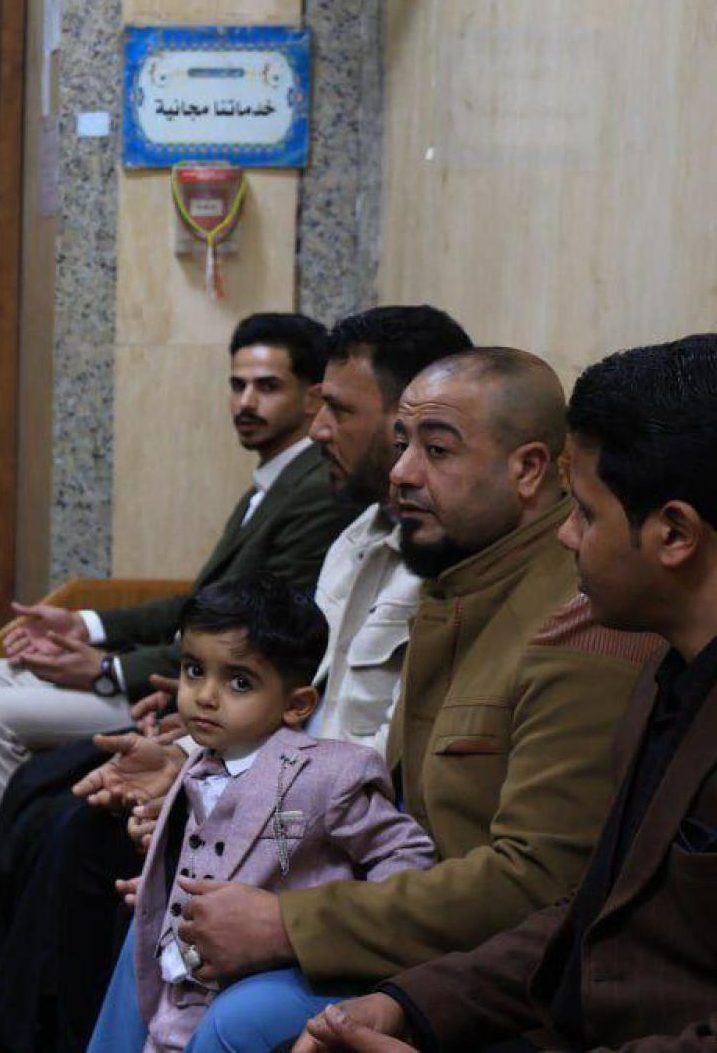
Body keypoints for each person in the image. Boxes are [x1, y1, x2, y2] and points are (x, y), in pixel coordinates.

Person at [0, 306, 470, 1048]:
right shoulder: (360, 533)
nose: (318, 429)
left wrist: (196, 753)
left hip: (306, 816)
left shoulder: (408, 547)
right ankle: (0, 995)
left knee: (85, 830)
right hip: (261, 754)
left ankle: (15, 1027)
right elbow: (246, 642)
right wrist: (189, 749)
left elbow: (337, 741)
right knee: (74, 801)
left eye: (333, 408)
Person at [95, 348, 654, 1053]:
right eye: (400, 444)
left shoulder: (579, 621)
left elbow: (538, 882)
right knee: (161, 925)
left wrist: (289, 922)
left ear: (529, 469)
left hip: (480, 963)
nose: (401, 474)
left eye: (436, 450)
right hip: (390, 903)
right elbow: (373, 790)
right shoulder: (459, 579)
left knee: (238, 1018)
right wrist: (227, 802)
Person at [295, 336, 717, 1053]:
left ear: (673, 533)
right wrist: (408, 1004)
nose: (567, 537)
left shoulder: (594, 641)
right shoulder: (667, 675)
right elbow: (587, 913)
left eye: (586, 514)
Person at [96, 576, 436, 1053]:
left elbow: (407, 854)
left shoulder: (331, 773)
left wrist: (337, 935)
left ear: (297, 705)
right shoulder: (201, 759)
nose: (206, 695)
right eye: (194, 670)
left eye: (239, 682)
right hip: (188, 974)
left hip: (279, 967)